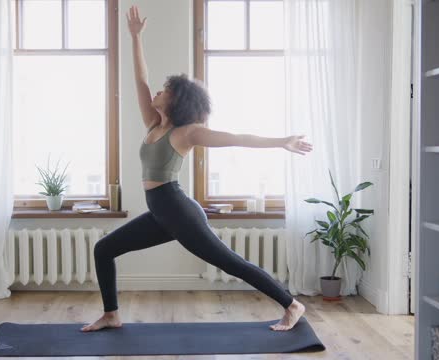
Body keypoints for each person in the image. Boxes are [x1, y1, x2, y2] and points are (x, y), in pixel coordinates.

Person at [81, 5, 313, 333]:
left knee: (230, 262)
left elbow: (236, 138)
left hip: (178, 210)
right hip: (160, 212)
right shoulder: (152, 123)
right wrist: (135, 38)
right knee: (104, 249)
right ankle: (111, 314)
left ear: (176, 101)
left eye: (166, 90)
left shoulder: (186, 133)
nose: (158, 91)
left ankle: (292, 305)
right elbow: (141, 78)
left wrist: (281, 141)